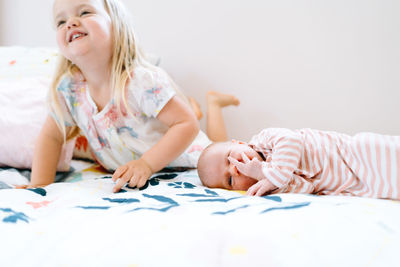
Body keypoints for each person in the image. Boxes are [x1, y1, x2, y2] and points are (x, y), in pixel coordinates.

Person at [30, 0, 208, 193]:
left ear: (116, 25)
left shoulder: (140, 81)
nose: (70, 23)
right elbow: (51, 137)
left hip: (185, 164)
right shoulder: (70, 90)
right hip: (132, 174)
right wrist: (39, 186)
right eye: (60, 22)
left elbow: (187, 124)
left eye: (84, 13)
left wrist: (146, 164)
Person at [197, 127, 400, 200]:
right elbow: (307, 186)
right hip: (359, 184)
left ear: (239, 143)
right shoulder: (270, 188)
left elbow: (291, 140)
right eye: (230, 180)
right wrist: (267, 178)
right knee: (391, 186)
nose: (235, 168)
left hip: (354, 154)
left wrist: (269, 173)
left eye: (229, 158)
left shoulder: (265, 139)